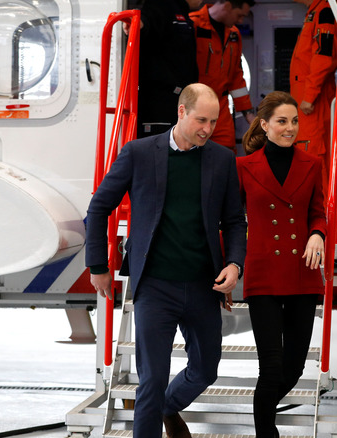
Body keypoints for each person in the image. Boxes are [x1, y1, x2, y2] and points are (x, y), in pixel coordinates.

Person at [86, 83, 247, 438]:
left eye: (214, 120)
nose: (207, 128)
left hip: (204, 285)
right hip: (155, 287)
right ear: (181, 112)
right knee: (152, 380)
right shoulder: (139, 153)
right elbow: (98, 208)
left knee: (206, 371)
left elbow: (235, 221)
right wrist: (99, 266)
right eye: (201, 119)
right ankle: (155, 410)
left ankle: (167, 408)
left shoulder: (221, 159)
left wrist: (235, 264)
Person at [237, 91, 327, 438]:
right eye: (281, 121)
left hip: (302, 273)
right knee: (271, 367)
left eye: (294, 121)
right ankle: (266, 434)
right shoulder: (243, 167)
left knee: (293, 367)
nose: (289, 128)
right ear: (264, 125)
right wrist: (230, 268)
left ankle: (263, 420)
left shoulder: (312, 163)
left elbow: (317, 210)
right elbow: (231, 221)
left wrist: (317, 233)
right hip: (263, 275)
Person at [190, 0, 257, 152]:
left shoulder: (234, 34)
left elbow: (236, 78)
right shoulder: (193, 24)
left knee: (226, 156)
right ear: (227, 6)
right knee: (192, 156)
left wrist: (248, 115)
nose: (240, 20)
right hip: (194, 106)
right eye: (239, 15)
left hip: (221, 109)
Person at [132, 0, 204, 138]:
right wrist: (138, 24)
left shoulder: (183, 14)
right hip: (159, 106)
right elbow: (148, 21)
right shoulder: (162, 5)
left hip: (178, 103)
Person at [289, 0, 337, 188]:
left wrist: (309, 96)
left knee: (313, 154)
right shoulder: (316, 12)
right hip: (306, 99)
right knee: (308, 152)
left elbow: (324, 57)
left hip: (313, 102)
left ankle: (321, 213)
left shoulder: (324, 12)